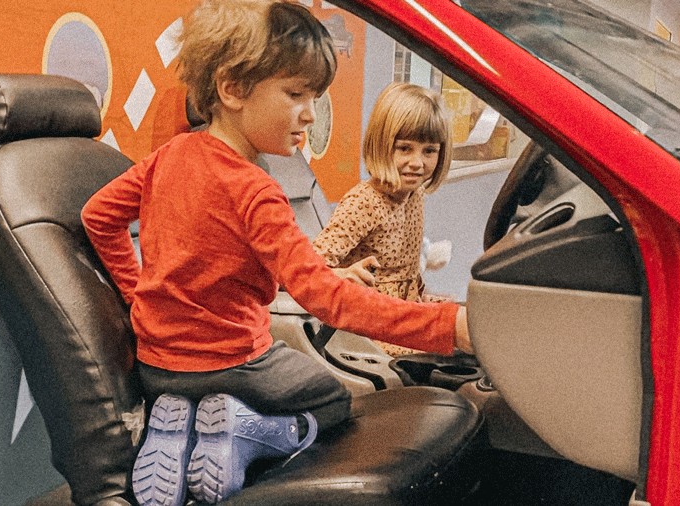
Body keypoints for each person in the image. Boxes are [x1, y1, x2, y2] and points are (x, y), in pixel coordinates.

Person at [81, 1, 470, 504]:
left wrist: (137, 297)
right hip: (236, 365)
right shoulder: (257, 190)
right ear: (233, 88)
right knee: (332, 400)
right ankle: (241, 432)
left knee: (205, 391)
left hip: (158, 366)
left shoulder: (166, 159)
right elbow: (326, 301)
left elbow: (98, 216)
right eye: (296, 94)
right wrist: (447, 326)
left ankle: (178, 427)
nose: (309, 112)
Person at [313, 82, 457, 357]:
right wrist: (342, 277)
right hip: (365, 330)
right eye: (405, 148)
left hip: (401, 316)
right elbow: (309, 271)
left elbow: (406, 273)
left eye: (429, 151)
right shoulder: (364, 202)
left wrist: (423, 298)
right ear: (382, 145)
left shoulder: (415, 196)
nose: (418, 162)